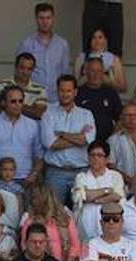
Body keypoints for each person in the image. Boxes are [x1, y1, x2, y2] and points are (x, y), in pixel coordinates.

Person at [39, 74, 96, 205]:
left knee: (80, 214)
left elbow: (88, 140)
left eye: (69, 90)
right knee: (53, 214)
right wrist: (78, 138)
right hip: (55, 173)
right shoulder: (48, 113)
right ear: (57, 91)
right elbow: (51, 143)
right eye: (62, 90)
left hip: (81, 172)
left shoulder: (86, 114)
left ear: (75, 92)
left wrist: (62, 134)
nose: (65, 94)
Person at [75, 57, 123, 142]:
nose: (96, 74)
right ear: (86, 71)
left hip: (106, 143)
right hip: (82, 142)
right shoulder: (78, 93)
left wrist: (112, 138)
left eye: (99, 71)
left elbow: (120, 118)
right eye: (92, 71)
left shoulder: (111, 93)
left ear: (103, 72)